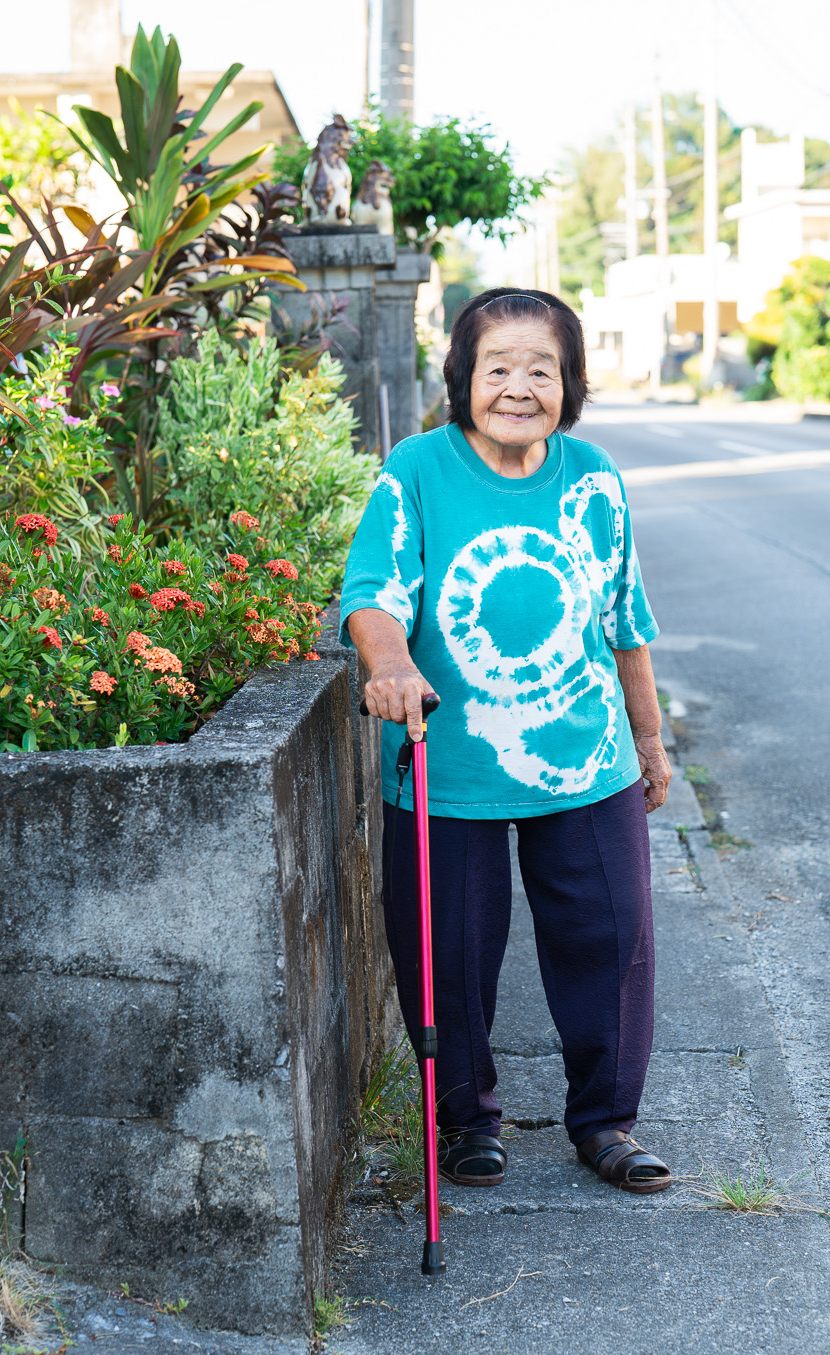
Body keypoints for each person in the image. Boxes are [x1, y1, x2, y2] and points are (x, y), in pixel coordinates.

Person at [340, 286, 674, 1194]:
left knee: (610, 940)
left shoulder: (593, 475)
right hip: (448, 763)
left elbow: (624, 616)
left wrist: (650, 739)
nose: (520, 387)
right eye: (499, 367)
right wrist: (392, 663)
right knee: (443, 952)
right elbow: (371, 593)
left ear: (569, 384)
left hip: (588, 757)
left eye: (543, 368)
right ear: (462, 378)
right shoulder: (416, 470)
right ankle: (465, 1120)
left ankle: (606, 1121)